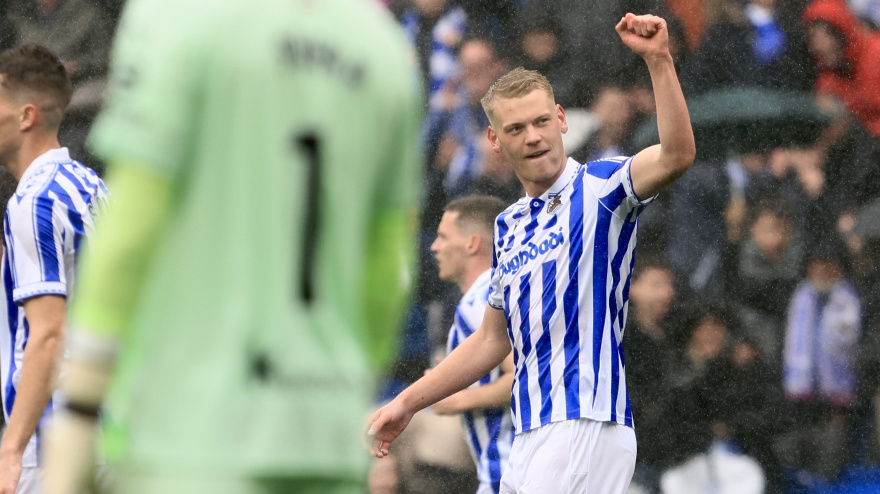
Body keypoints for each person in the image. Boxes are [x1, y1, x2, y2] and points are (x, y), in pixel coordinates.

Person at [41, 0, 422, 493]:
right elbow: (387, 270)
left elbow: (133, 227)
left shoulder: (178, 15)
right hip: (323, 434)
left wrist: (80, 406)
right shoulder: (383, 46)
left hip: (191, 434)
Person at [368, 13, 695, 493]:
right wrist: (406, 402)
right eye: (516, 128)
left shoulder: (601, 186)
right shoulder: (510, 224)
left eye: (542, 121)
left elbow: (676, 155)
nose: (534, 136)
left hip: (585, 420)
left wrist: (659, 60)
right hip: (529, 432)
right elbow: (490, 341)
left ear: (561, 120)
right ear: (497, 141)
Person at [0, 44, 107, 494]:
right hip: (104, 429)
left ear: (26, 117)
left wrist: (10, 448)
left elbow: (47, 334)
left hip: (48, 447)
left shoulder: (31, 203)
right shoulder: (88, 183)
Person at [429, 195, 514, 494]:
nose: (434, 246)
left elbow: (524, 376)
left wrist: (454, 398)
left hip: (507, 473)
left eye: (442, 236)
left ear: (472, 243)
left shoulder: (480, 303)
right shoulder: (500, 289)